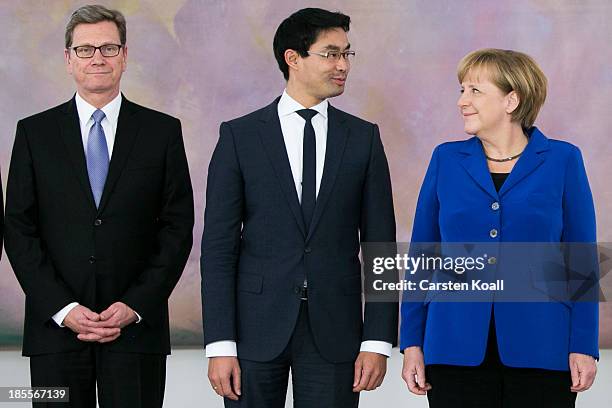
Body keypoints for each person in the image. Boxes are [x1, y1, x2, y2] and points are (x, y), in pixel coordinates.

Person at [201, 7, 397, 408]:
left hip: (337, 331)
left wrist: (378, 339)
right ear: (293, 58)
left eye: (347, 54)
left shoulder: (363, 139)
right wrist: (219, 344)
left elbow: (382, 248)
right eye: (330, 53)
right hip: (253, 330)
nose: (343, 65)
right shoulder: (239, 137)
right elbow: (218, 248)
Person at [4, 5, 194, 407]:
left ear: (124, 57)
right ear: (68, 59)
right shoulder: (34, 133)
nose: (98, 58)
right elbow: (19, 230)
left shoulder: (162, 132)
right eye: (86, 49)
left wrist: (135, 306)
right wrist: (63, 308)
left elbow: (177, 230)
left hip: (135, 331)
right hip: (55, 332)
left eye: (109, 48)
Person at [400, 48, 598, 407]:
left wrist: (584, 345)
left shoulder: (563, 159)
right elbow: (421, 257)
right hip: (452, 346)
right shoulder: (445, 159)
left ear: (512, 100)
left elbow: (581, 260)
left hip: (543, 345)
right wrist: (412, 341)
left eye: (474, 91)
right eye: (461, 90)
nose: (462, 101)